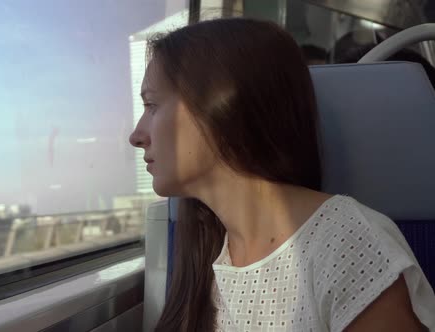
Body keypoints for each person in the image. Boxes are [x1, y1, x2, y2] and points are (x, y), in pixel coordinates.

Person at [128, 18, 434, 331]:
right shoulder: (207, 252)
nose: (136, 135)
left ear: (221, 109)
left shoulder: (349, 245)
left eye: (152, 105)